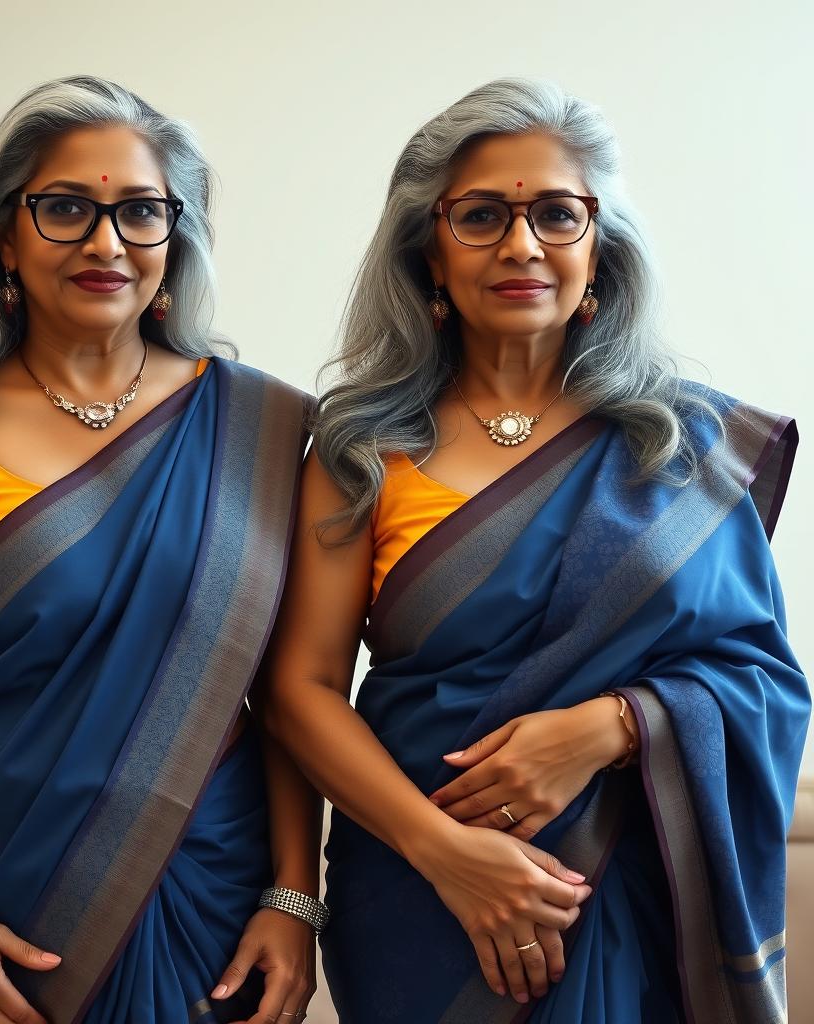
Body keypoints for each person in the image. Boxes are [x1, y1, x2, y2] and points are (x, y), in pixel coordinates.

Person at [261, 77, 807, 1023]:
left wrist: (613, 727)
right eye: (481, 216)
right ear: (428, 249)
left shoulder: (681, 449)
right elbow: (299, 689)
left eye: (558, 214)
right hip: (415, 896)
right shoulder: (361, 450)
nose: (522, 245)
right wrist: (446, 853)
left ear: (601, 247)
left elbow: (764, 678)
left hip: (629, 889)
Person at [0, 75, 321, 1024]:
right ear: (5, 237)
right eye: (65, 209)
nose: (106, 243)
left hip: (204, 895)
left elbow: (287, 690)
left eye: (140, 212)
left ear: (176, 239)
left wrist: (293, 896)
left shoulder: (264, 428)